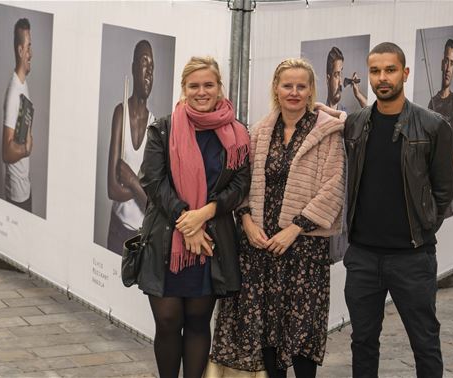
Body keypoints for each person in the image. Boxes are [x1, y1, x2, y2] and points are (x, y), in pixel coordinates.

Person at [211, 58, 346, 378]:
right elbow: (242, 184)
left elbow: (334, 186)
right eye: (288, 85)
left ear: (312, 89)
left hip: (303, 251)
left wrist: (294, 230)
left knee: (301, 333)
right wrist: (247, 223)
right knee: (268, 334)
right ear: (276, 88)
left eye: (302, 86)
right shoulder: (257, 132)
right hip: (259, 249)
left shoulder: (328, 133)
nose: (294, 92)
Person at [342, 42, 453, 378]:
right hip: (362, 257)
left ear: (405, 73)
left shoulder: (433, 126)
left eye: (390, 70)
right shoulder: (356, 124)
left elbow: (444, 190)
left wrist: (422, 229)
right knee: (362, 342)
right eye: (375, 71)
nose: (382, 78)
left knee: (424, 343)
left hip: (412, 258)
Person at [136, 56, 251, 378]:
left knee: (199, 322)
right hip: (166, 239)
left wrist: (206, 212)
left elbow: (242, 183)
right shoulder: (163, 128)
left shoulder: (237, 132)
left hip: (212, 243)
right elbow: (153, 182)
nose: (202, 92)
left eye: (208, 85)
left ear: (219, 87)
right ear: (184, 89)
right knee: (169, 320)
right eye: (194, 86)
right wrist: (187, 223)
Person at [107, 40, 156, 255]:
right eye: (144, 63)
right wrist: (141, 189)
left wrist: (132, 181)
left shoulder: (156, 127)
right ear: (134, 67)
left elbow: (151, 204)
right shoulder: (121, 113)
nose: (148, 73)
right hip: (117, 227)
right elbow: (112, 189)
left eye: (152, 68)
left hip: (142, 233)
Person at [428, 38, 453, 215]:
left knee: (446, 213)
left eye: (452, 63)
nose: (449, 67)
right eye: (446, 62)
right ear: (442, 64)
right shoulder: (432, 102)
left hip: (447, 179)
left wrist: (448, 170)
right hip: (431, 178)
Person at [2, 18, 33, 211]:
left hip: (25, 187)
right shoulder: (14, 92)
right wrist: (26, 149)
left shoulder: (23, 85)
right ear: (20, 51)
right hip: (16, 196)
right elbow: (6, 152)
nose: (31, 53)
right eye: (28, 47)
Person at [326, 46, 367, 112]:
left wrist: (358, 94)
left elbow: (372, 112)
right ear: (328, 80)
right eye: (336, 75)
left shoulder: (347, 116)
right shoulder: (318, 115)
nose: (341, 83)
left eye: (341, 74)